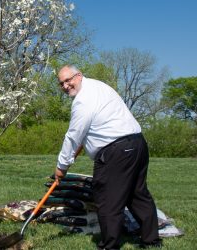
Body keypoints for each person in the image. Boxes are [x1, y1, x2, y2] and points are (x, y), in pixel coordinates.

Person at [54, 65, 161, 249]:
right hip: (137, 144)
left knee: (107, 199)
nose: (65, 86)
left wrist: (61, 166)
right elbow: (96, 124)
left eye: (68, 80)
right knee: (137, 194)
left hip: (116, 151)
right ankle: (151, 240)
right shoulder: (98, 86)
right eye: (61, 83)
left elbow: (73, 136)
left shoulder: (83, 100)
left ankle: (109, 246)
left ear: (78, 76)